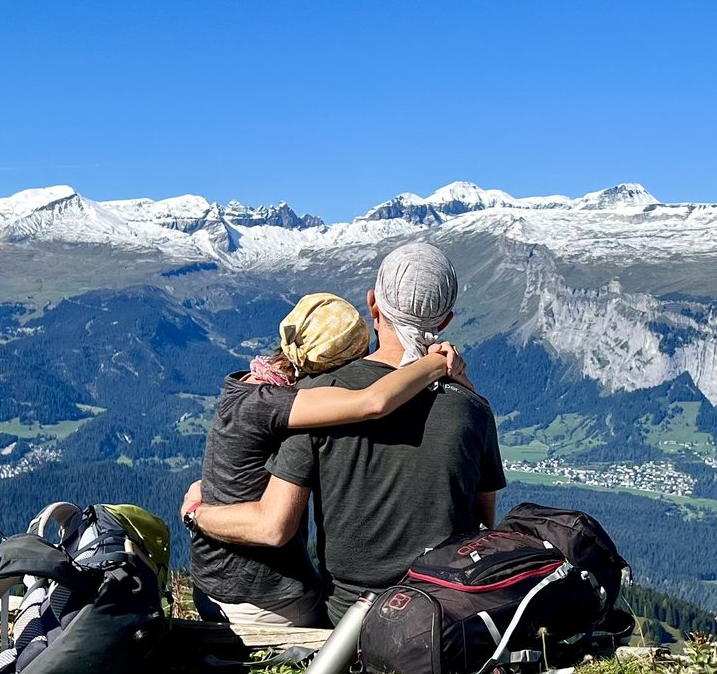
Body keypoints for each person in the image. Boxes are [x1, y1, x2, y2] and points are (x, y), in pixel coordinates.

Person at [186, 244, 506, 624]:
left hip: (349, 618)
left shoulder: (320, 399)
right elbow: (482, 526)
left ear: (373, 305)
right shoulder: (473, 407)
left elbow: (275, 521)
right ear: (447, 320)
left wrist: (198, 514)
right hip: (442, 614)